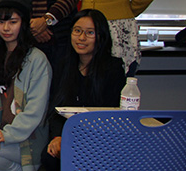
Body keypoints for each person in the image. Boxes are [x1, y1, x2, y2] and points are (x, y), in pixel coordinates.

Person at [0, 0, 51, 171]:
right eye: (1, 22)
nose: (6, 28)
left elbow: (36, 110)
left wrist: (6, 135)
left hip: (27, 141)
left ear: (23, 24)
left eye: (13, 22)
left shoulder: (37, 60)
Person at [40, 9, 126, 171]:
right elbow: (55, 107)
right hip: (67, 135)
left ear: (101, 37)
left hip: (100, 139)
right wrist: (58, 136)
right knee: (49, 157)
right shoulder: (63, 64)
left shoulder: (113, 68)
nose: (81, 38)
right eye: (77, 31)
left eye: (90, 33)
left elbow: (113, 114)